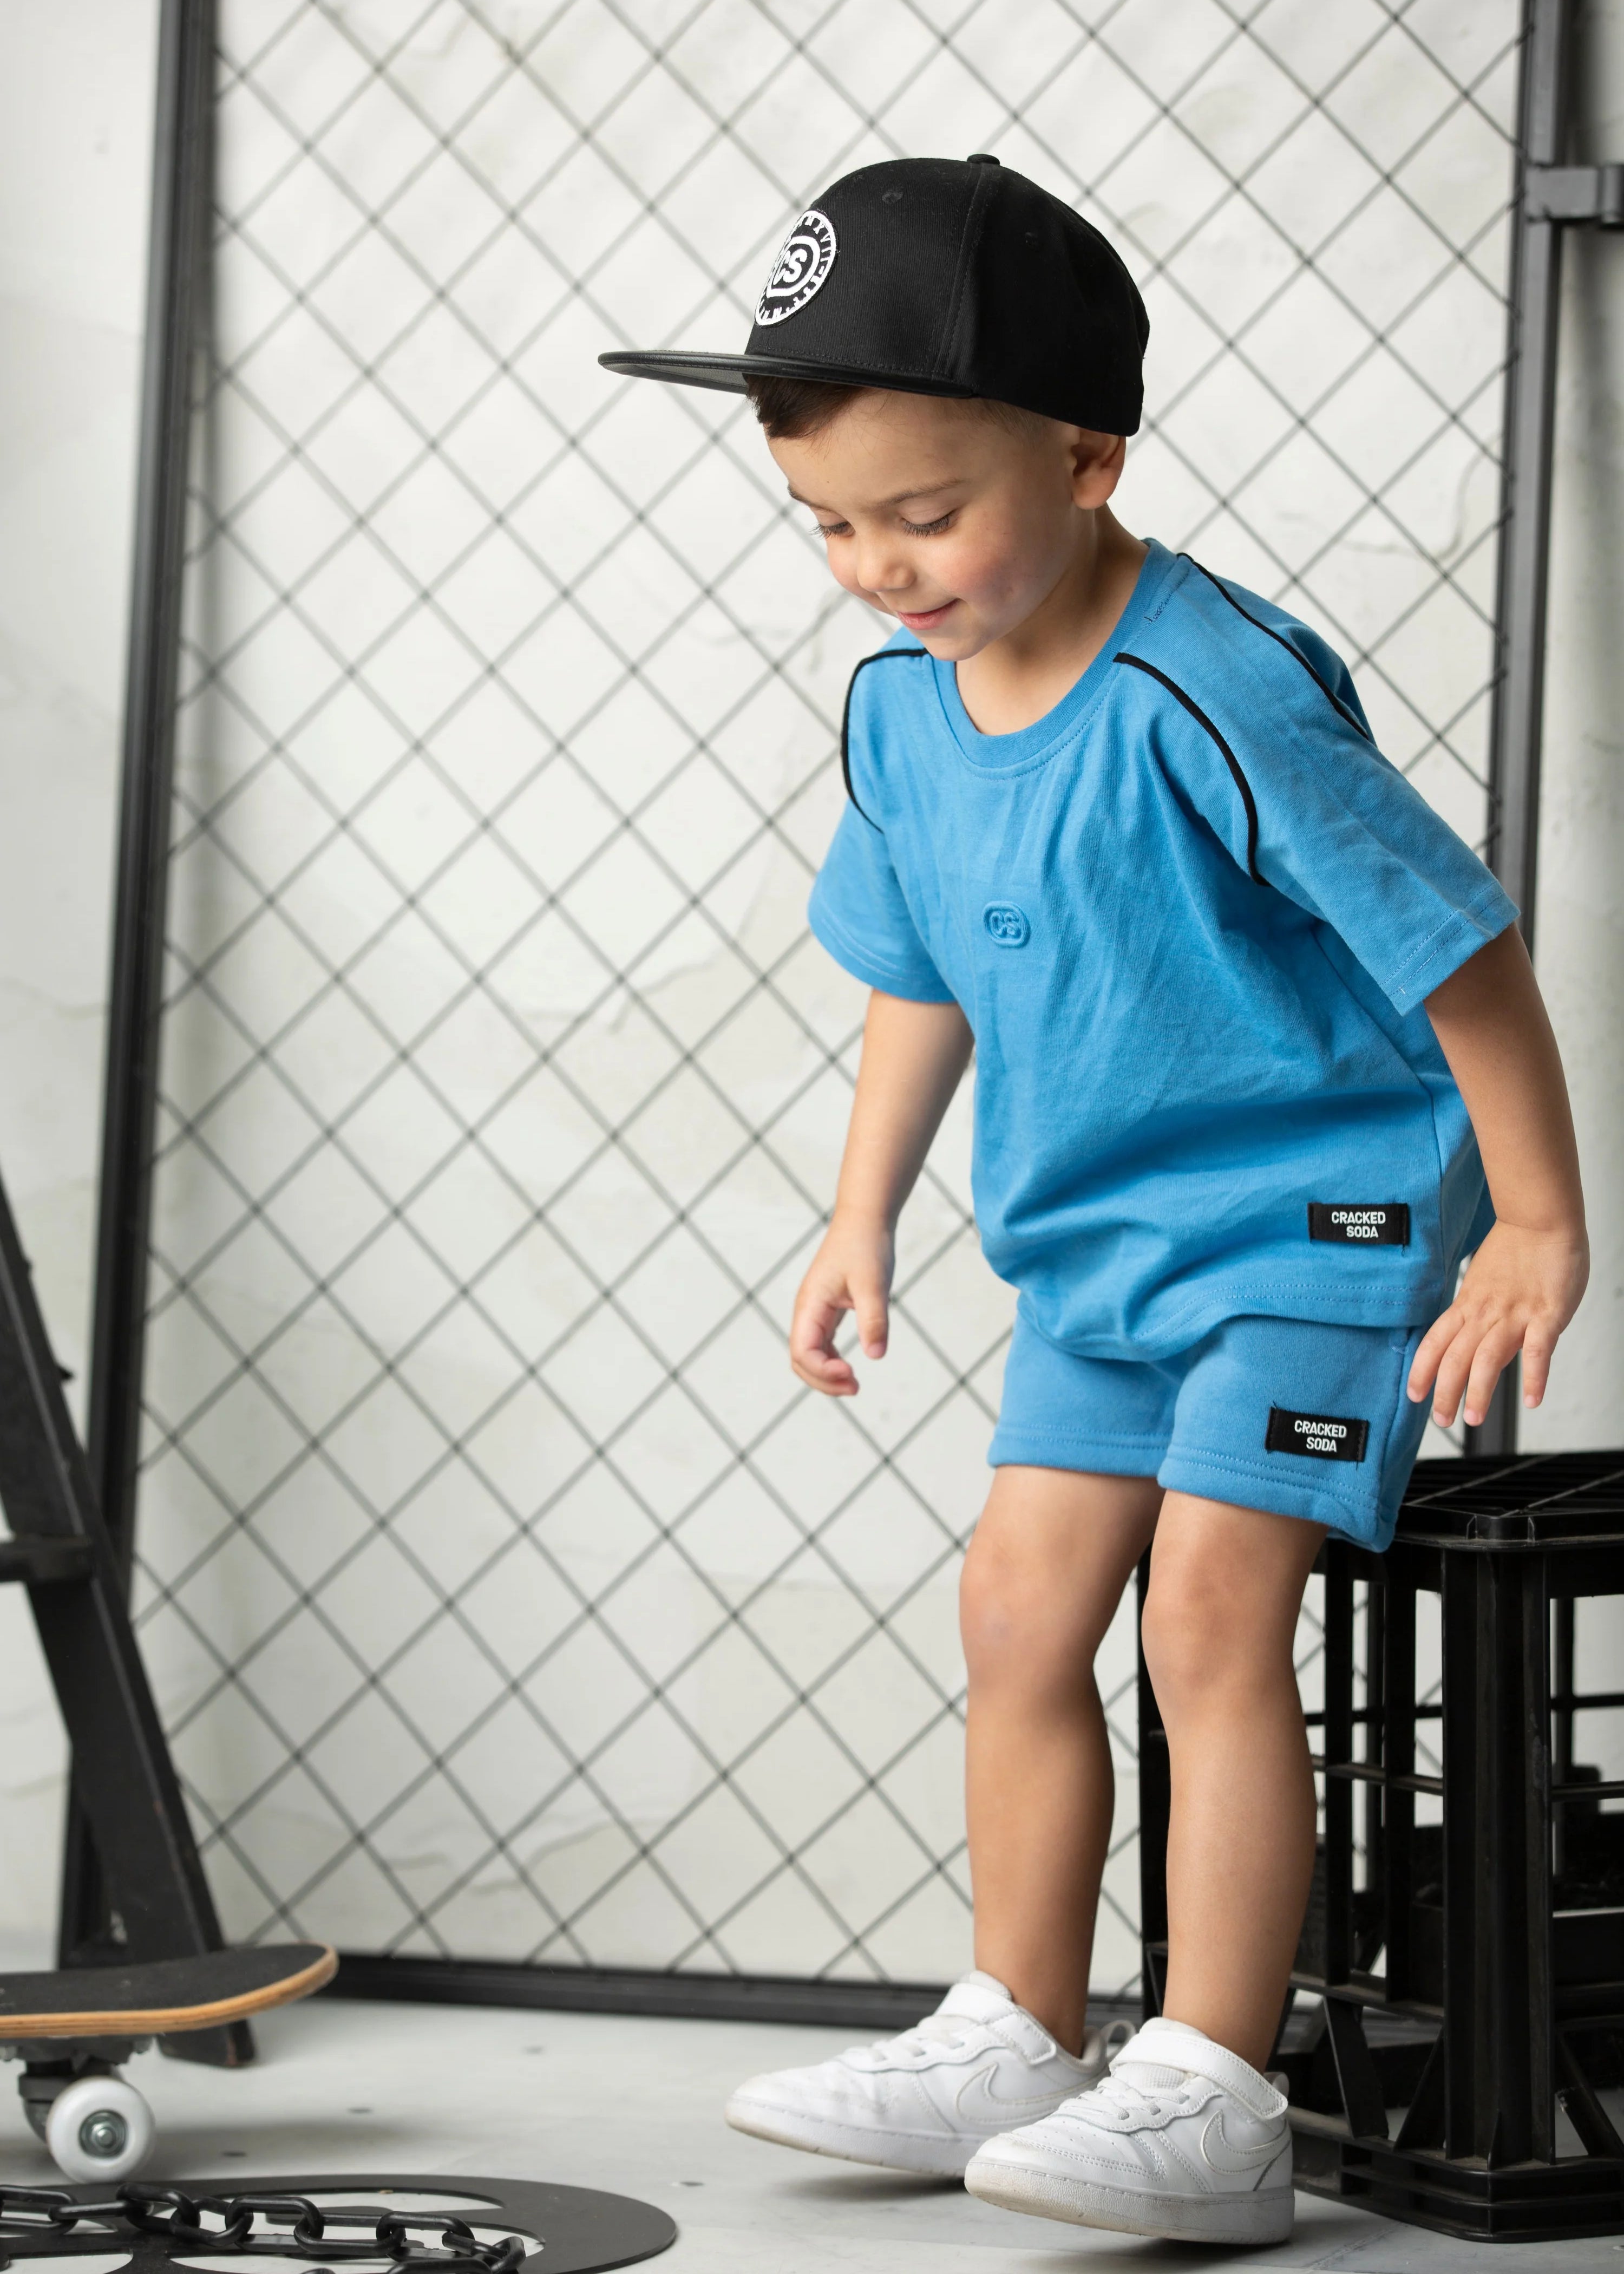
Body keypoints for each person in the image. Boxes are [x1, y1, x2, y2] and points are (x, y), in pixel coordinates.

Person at [598, 155, 1588, 2246]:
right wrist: (859, 1213)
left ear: (1085, 454)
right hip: (1102, 1252)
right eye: (829, 525)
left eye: (922, 513)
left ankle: (1215, 2088)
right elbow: (919, 970)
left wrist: (1536, 1219)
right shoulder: (903, 704)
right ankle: (1015, 2029)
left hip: (1310, 1229)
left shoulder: (1212, 686)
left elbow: (1457, 944)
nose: (876, 569)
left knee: (1211, 1613)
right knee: (1016, 1611)